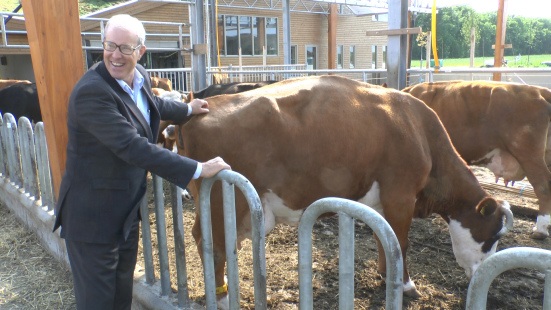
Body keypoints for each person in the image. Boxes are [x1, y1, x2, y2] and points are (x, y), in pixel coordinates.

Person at [53, 14, 230, 310]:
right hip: (92, 219)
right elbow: (132, 147)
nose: (115, 55)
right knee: (97, 302)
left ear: (140, 52)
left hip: (124, 211)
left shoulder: (140, 76)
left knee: (121, 294)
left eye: (125, 48)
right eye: (110, 45)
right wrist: (197, 169)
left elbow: (151, 104)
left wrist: (186, 109)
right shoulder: (92, 93)